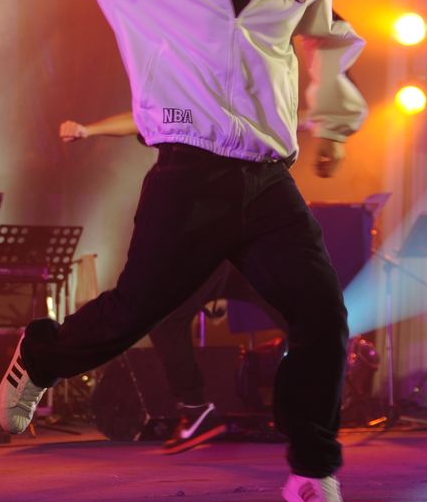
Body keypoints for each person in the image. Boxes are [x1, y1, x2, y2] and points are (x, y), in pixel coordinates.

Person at [0, 0, 368, 502]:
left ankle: (313, 471)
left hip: (267, 181)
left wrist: (335, 127)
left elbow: (331, 38)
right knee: (133, 311)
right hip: (190, 174)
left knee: (322, 316)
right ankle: (41, 355)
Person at [59, 113, 288, 453]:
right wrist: (88, 128)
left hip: (222, 240)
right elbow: (140, 118)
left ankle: (197, 409)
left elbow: (143, 118)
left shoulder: (194, 111)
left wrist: (88, 128)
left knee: (167, 322)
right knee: (296, 314)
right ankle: (311, 401)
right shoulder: (199, 109)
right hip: (240, 239)